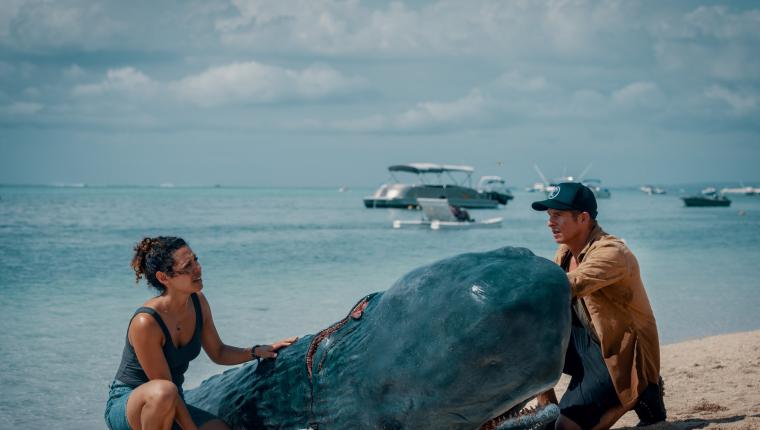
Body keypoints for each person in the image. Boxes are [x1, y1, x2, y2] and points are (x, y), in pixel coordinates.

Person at [105, 236, 297, 430]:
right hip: (132, 407)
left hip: (173, 400)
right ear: (164, 277)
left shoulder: (198, 302)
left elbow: (218, 352)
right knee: (165, 392)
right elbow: (163, 386)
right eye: (187, 266)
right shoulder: (146, 322)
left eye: (196, 260)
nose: (197, 268)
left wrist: (257, 351)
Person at [531, 183, 666, 430]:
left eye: (558, 215)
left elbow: (566, 286)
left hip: (618, 353)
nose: (550, 223)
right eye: (549, 216)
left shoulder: (612, 253)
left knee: (566, 429)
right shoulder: (565, 252)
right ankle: (547, 410)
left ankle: (641, 389)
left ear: (583, 218)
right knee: (529, 337)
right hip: (586, 344)